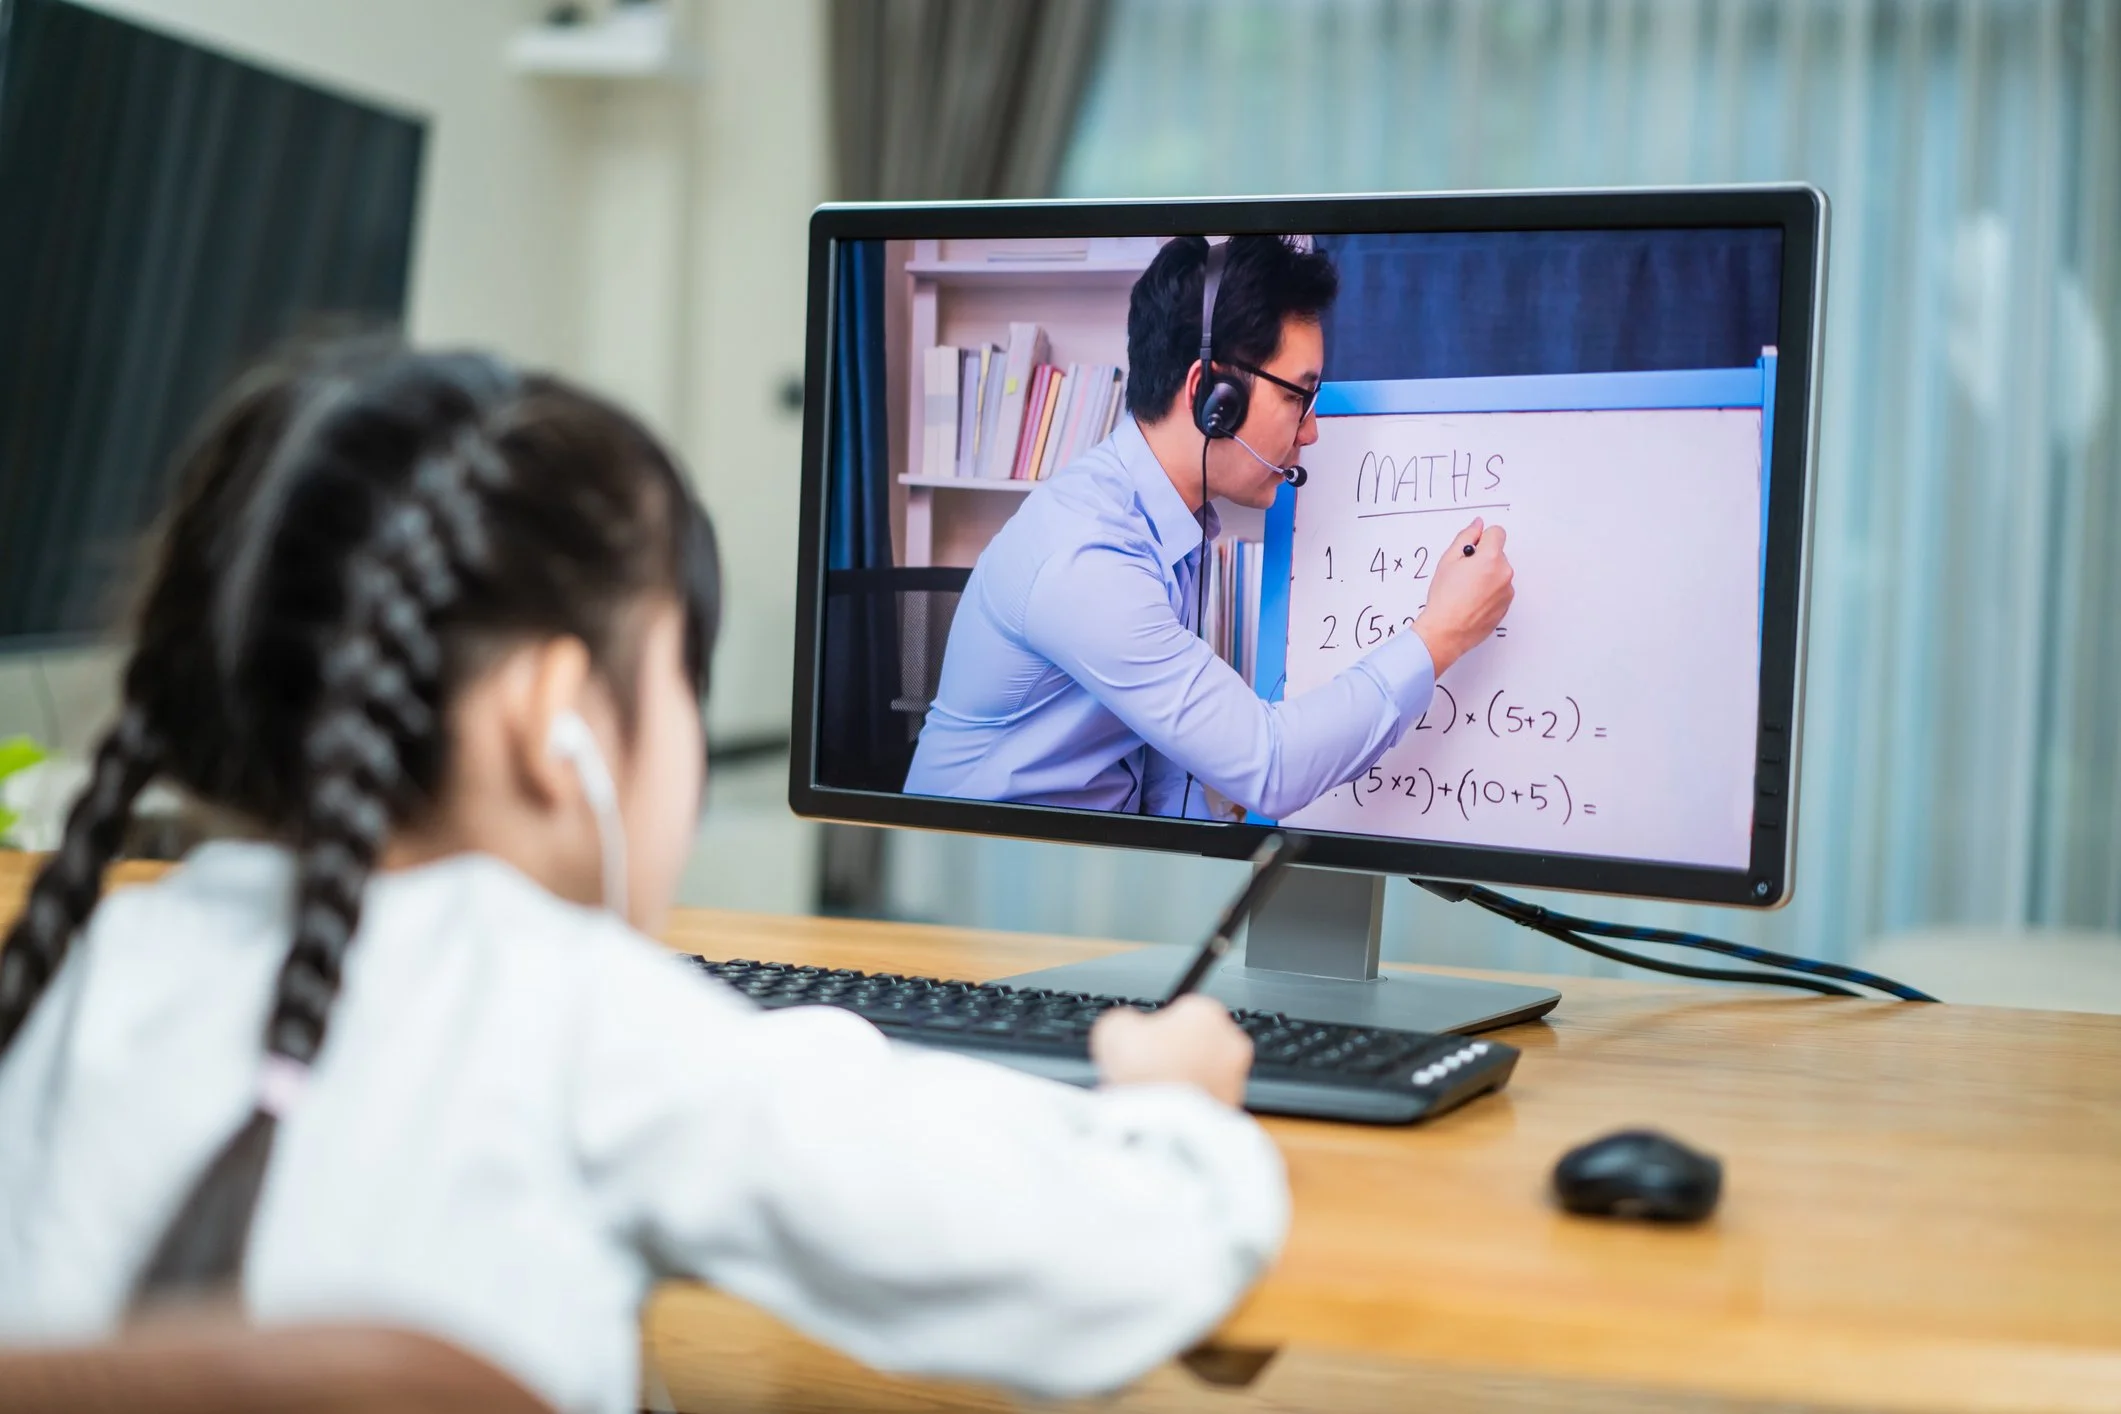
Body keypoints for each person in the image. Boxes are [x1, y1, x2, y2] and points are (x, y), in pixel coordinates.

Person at [0, 344, 1281, 1413]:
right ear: (553, 718)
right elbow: (1093, 1266)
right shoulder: (579, 1020)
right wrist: (1178, 1107)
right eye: (683, 674)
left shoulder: (76, 976)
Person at [904, 235, 1514, 819]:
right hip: (977, 885)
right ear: (1211, 397)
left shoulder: (1171, 525)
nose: (1311, 431)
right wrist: (1441, 634)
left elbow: (1164, 777)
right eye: (1298, 397)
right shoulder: (1088, 558)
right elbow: (1271, 767)